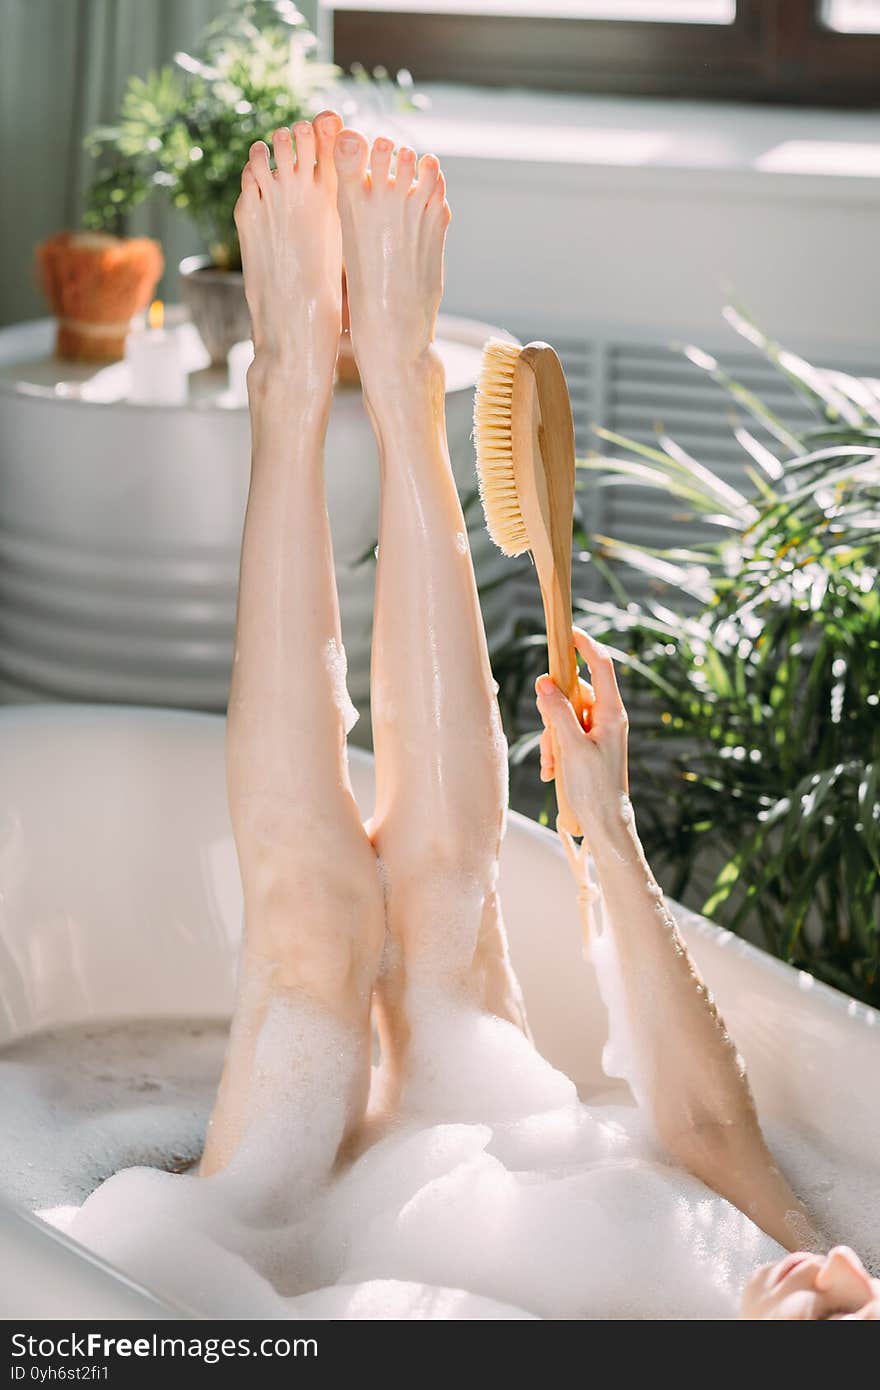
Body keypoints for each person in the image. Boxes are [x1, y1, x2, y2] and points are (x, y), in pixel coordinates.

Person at [197, 112, 870, 1320]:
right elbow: (711, 1129)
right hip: (464, 1174)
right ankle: (403, 391)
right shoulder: (744, 1276)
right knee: (452, 894)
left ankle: (288, 379)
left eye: (823, 1316)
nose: (835, 1271)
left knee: (308, 931)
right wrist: (603, 821)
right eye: (858, 1296)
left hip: (265, 1261)